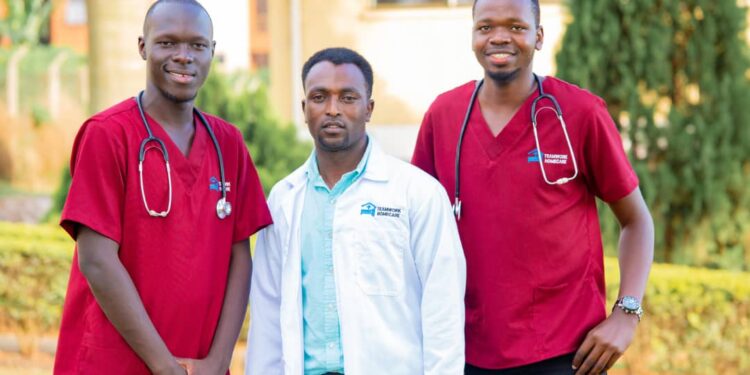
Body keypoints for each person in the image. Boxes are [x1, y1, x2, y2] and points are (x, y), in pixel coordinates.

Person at [411, 0, 655, 374]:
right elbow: (415, 230)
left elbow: (636, 220)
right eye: (486, 27)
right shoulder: (443, 116)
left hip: (566, 352)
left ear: (538, 37)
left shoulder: (580, 113)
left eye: (516, 27)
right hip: (461, 351)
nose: (499, 37)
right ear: (473, 36)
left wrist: (627, 313)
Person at [53, 1, 272, 374]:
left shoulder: (228, 144)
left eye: (197, 46)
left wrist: (218, 361)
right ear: (143, 47)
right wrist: (164, 365)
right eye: (167, 43)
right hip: (112, 363)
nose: (183, 56)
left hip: (200, 364)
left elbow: (240, 257)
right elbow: (97, 260)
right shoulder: (108, 135)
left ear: (212, 53)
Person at [246, 47, 467, 375]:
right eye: (319, 97)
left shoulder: (417, 193)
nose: (332, 110)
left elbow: (443, 313)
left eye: (348, 97)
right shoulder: (284, 199)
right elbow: (267, 313)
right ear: (304, 109)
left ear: (369, 108)